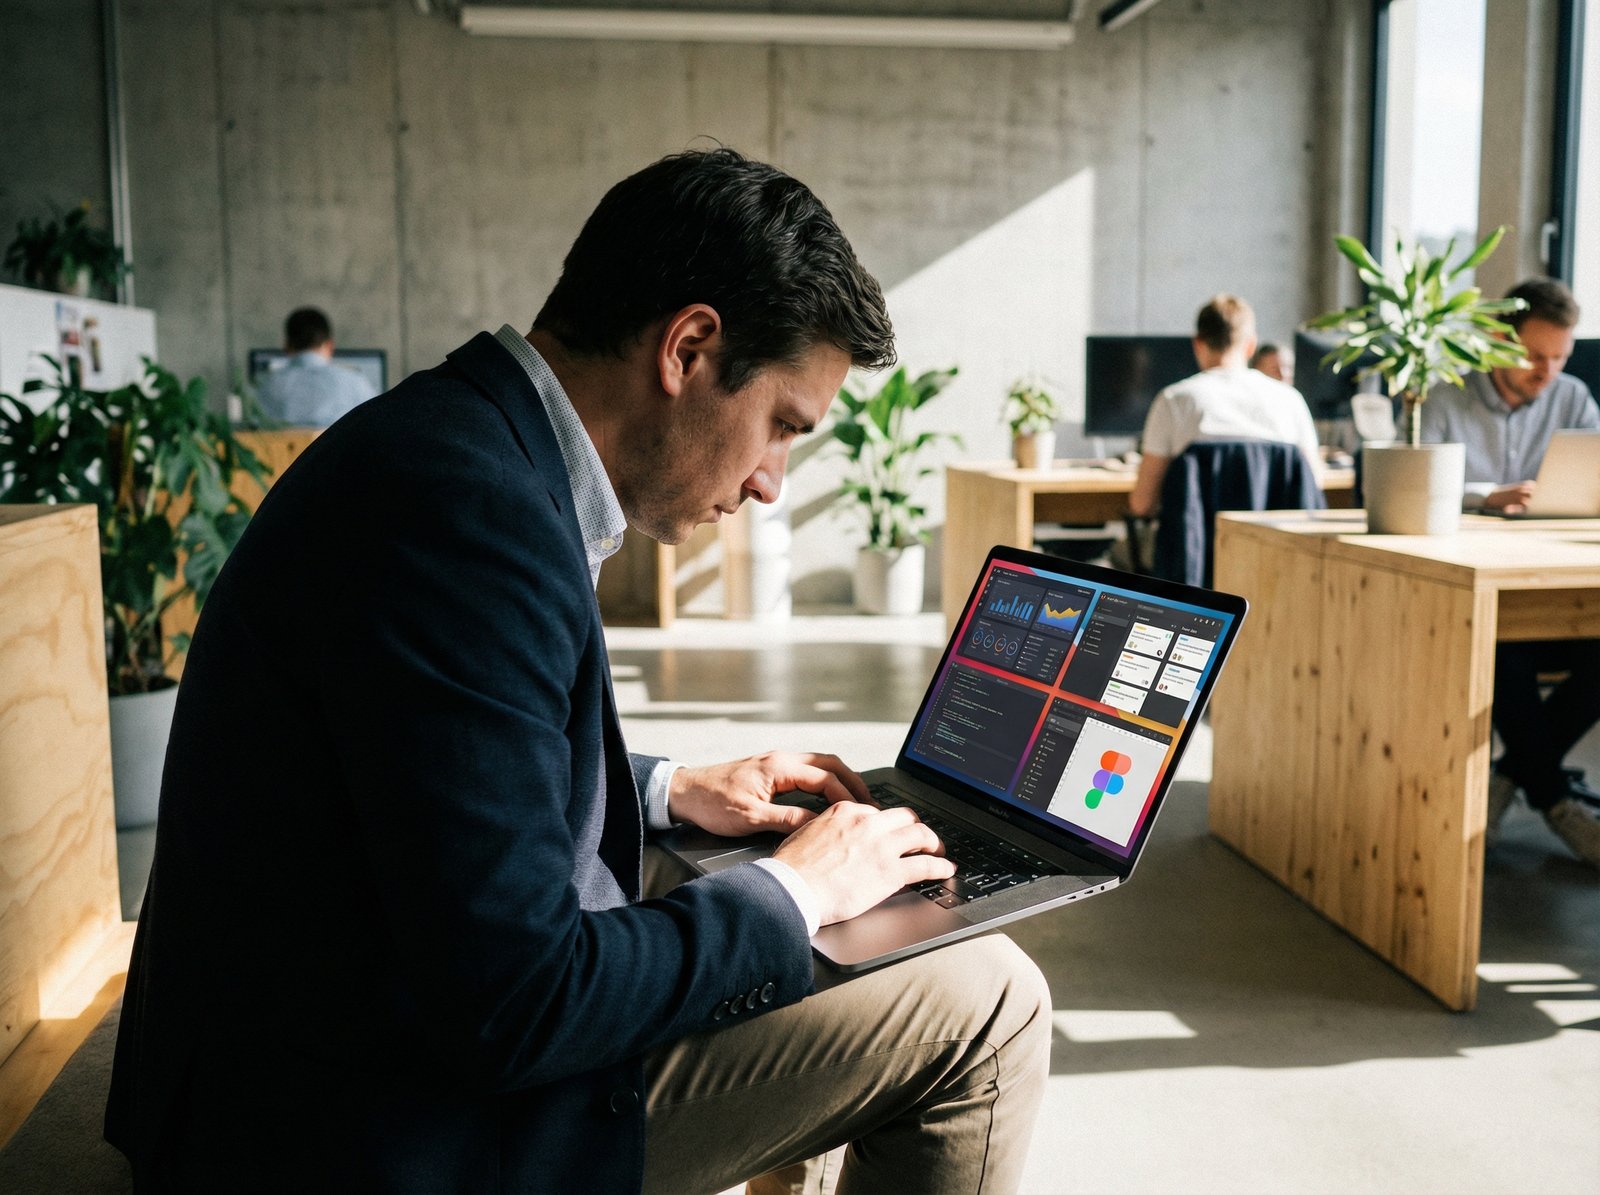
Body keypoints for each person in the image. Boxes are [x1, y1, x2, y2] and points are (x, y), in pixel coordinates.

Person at [106, 148, 1051, 1192]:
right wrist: (794, 887)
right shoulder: (470, 517)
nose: (773, 483)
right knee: (988, 1002)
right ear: (689, 347)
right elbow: (517, 1004)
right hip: (355, 1126)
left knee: (808, 929)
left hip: (309, 1037)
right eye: (783, 426)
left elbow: (430, 753)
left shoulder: (454, 444)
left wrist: (669, 787)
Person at [1420, 276, 1600, 867]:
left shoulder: (1571, 397)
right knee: (1504, 655)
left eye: (1559, 357)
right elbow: (1417, 482)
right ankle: (1556, 801)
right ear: (1500, 341)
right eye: (1534, 356)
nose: (1546, 372)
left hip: (1547, 574)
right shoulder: (1443, 393)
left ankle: (1510, 776)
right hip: (1464, 586)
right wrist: (1483, 496)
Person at [1127, 294, 1322, 518]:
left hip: (1199, 551)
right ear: (1251, 345)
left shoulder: (1174, 400)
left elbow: (1142, 504)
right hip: (1272, 548)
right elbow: (1312, 483)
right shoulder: (1290, 400)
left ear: (1198, 344)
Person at [254, 305, 379, 425]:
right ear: (330, 345)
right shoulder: (355, 383)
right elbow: (376, 423)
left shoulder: (263, 385)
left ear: (286, 345)